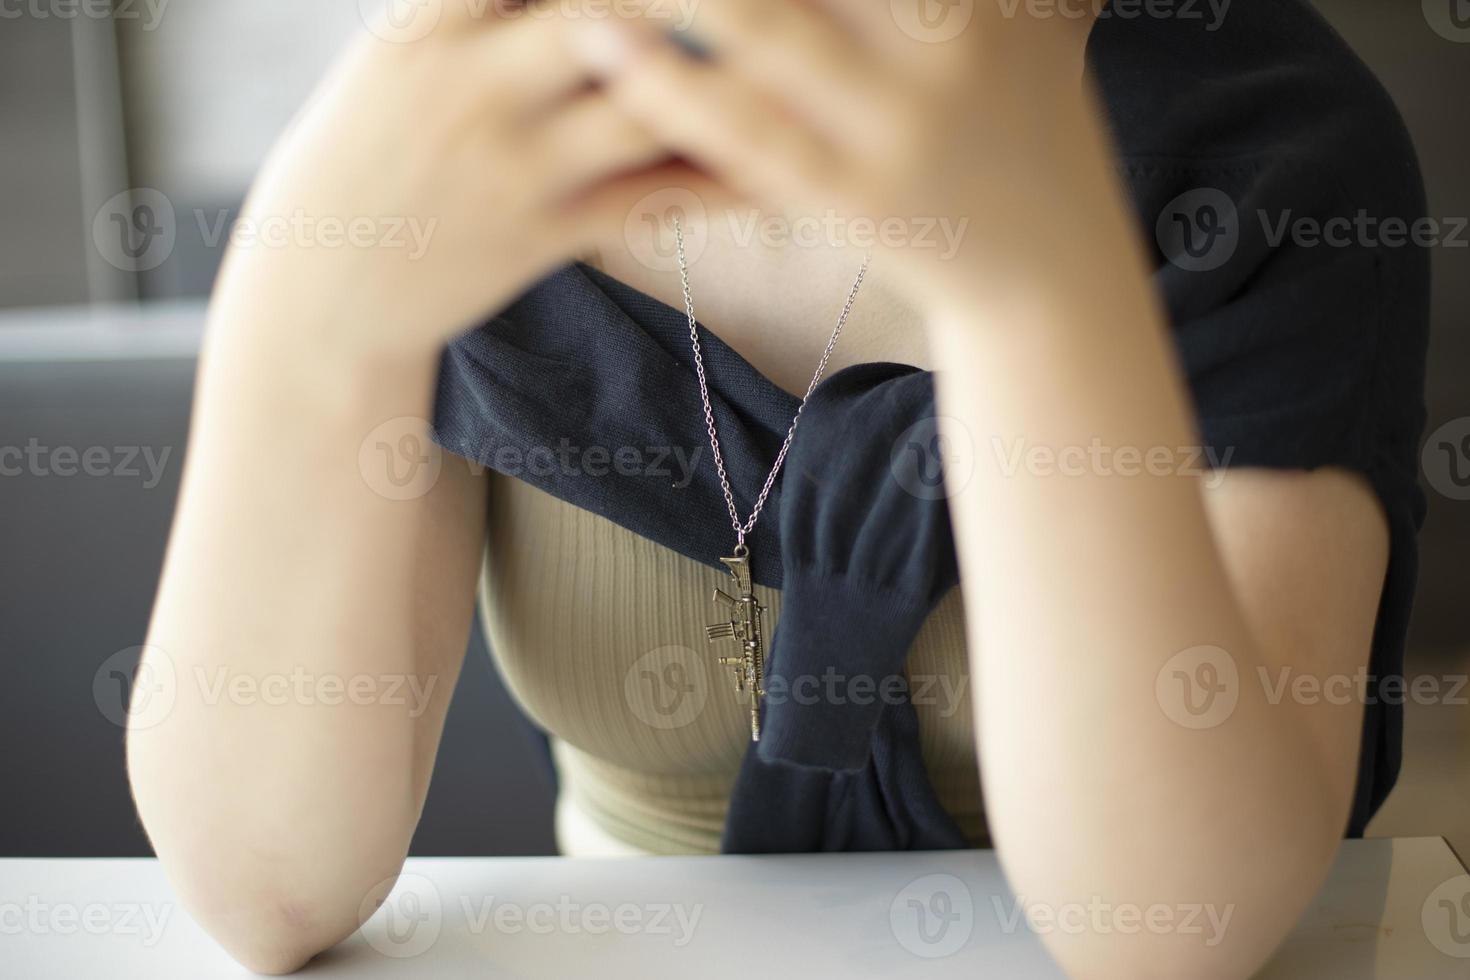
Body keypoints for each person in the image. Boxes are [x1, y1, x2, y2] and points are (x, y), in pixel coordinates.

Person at [126, 1, 1429, 977]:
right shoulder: (466, 136)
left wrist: (1029, 284)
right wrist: (296, 296)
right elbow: (263, 884)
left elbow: (1178, 922)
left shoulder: (1262, 150)